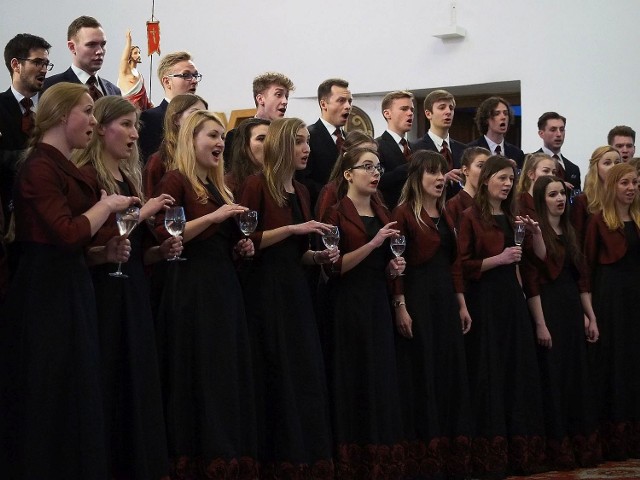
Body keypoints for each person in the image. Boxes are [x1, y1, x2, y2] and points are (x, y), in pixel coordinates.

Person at [0, 82, 137, 479]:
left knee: (74, 388)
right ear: (63, 116)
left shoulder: (59, 165)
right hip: (45, 295)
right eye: (88, 112)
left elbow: (75, 246)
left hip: (68, 285)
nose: (94, 122)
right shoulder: (40, 166)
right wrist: (106, 205)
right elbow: (66, 234)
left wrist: (101, 254)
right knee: (53, 392)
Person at [73, 95, 177, 479]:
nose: (135, 134)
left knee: (136, 383)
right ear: (101, 128)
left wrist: (160, 251)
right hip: (103, 294)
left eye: (137, 126)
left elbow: (131, 253)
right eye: (126, 125)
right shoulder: (87, 177)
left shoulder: (129, 177)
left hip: (132, 290)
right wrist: (143, 213)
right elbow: (86, 246)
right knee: (110, 381)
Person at [153, 110, 258, 477]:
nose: (219, 144)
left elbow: (222, 242)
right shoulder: (175, 179)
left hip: (223, 287)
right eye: (212, 136)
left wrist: (240, 249)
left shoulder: (218, 185)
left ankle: (228, 457)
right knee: (200, 372)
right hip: (192, 289)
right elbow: (167, 234)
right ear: (190, 140)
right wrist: (215, 218)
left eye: (222, 139)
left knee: (225, 372)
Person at [239, 118, 337, 478]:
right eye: (298, 141)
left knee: (303, 374)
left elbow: (300, 254)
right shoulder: (255, 185)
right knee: (275, 374)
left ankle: (304, 459)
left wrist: (318, 257)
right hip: (266, 294)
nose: (306, 148)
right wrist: (293, 229)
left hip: (298, 291)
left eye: (308, 141)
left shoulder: (302, 190)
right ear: (281, 145)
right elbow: (246, 242)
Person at [457, 155, 545, 478]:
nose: (508, 184)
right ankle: (491, 455)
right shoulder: (469, 217)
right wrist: (499, 259)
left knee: (516, 370)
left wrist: (535, 236)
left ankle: (520, 451)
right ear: (487, 179)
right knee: (489, 371)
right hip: (485, 300)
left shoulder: (513, 217)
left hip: (511, 299)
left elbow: (537, 260)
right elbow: (463, 265)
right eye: (502, 178)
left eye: (511, 179)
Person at [321, 146, 406, 476]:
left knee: (379, 375)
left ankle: (380, 457)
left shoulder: (382, 209)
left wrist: (393, 267)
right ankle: (352, 459)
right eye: (367, 167)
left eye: (378, 168)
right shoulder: (336, 213)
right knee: (352, 376)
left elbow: (384, 265)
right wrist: (373, 245)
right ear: (348, 174)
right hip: (347, 303)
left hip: (376, 302)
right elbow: (335, 267)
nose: (375, 174)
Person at [391, 150, 473, 478]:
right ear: (417, 178)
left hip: (445, 302)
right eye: (432, 173)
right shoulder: (402, 214)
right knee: (422, 371)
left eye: (442, 173)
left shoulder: (445, 214)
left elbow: (453, 264)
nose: (440, 179)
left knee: (448, 371)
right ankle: (424, 455)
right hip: (418, 299)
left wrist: (462, 304)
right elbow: (397, 267)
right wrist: (400, 306)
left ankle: (451, 453)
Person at [521, 175, 601, 469]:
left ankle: (578, 443)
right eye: (551, 194)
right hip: (548, 309)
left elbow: (579, 278)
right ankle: (557, 447)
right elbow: (539, 272)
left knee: (574, 375)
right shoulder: (535, 232)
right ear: (541, 200)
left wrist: (589, 314)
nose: (558, 199)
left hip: (570, 309)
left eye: (560, 195)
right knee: (553, 376)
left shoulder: (569, 230)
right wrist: (541, 324)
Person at [584, 162, 640, 460]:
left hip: (635, 300)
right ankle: (614, 439)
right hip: (610, 301)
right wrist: (589, 312)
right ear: (612, 186)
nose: (631, 188)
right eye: (624, 183)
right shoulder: (598, 221)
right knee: (614, 364)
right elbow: (587, 269)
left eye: (634, 183)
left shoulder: (639, 218)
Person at [0, 32, 52, 298]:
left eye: (47, 64)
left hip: (47, 223)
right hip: (8, 222)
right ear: (16, 64)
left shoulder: (52, 111)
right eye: (37, 62)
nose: (44, 69)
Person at [297, 78, 353, 207]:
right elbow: (303, 180)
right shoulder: (308, 136)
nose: (348, 106)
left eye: (350, 101)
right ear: (323, 104)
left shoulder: (351, 140)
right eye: (341, 101)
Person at [138, 51, 201, 162]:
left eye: (196, 75)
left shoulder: (202, 117)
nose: (194, 81)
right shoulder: (149, 119)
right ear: (167, 82)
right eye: (186, 75)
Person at [142, 93, 208, 198]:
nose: (202, 119)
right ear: (176, 119)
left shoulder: (206, 156)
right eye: (195, 113)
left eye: (205, 114)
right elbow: (150, 201)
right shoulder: (158, 160)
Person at [224, 72, 294, 165]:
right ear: (260, 99)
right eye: (278, 94)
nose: (285, 101)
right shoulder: (235, 136)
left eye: (286, 96)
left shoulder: (289, 137)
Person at [43, 16, 121, 98]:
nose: (100, 51)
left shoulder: (115, 91)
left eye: (103, 44)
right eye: (91, 45)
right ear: (72, 47)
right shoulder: (51, 88)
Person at [413, 89, 468, 197]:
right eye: (442, 107)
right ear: (428, 114)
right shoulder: (415, 148)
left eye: (451, 108)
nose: (448, 112)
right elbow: (414, 186)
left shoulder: (464, 149)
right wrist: (443, 179)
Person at [315, 130, 377, 221]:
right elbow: (324, 229)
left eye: (374, 153)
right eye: (364, 152)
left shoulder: (375, 192)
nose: (371, 156)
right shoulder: (331, 191)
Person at [571, 146, 621, 244]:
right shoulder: (583, 200)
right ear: (596, 167)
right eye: (607, 163)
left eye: (617, 163)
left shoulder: (624, 198)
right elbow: (577, 239)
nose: (613, 167)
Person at [375, 90, 415, 209]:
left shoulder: (416, 147)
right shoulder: (376, 146)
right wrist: (408, 168)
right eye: (404, 109)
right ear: (387, 113)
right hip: (391, 212)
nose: (410, 113)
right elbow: (377, 181)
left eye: (412, 110)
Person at [467, 96, 525, 168]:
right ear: (486, 119)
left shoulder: (517, 153)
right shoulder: (471, 150)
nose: (503, 117)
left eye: (506, 113)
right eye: (497, 113)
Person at [225, 117, 270, 198]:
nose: (269, 144)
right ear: (244, 145)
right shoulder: (228, 185)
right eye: (261, 139)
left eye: (271, 139)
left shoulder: (279, 183)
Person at [446, 146, 490, 227]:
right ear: (465, 170)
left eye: (488, 167)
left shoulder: (491, 203)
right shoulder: (453, 205)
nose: (486, 171)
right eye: (480, 166)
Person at [536, 112, 581, 190]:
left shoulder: (573, 168)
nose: (559, 134)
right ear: (541, 134)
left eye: (562, 129)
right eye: (553, 130)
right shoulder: (530, 160)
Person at [117, 30, 152, 111]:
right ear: (130, 55)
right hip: (128, 108)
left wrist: (148, 103)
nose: (139, 55)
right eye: (135, 53)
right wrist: (129, 41)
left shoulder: (139, 75)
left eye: (139, 52)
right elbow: (124, 59)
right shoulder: (125, 71)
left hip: (141, 109)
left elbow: (143, 95)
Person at [516, 152, 556, 220]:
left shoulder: (553, 202)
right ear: (531, 174)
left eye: (554, 172)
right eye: (546, 171)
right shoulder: (518, 202)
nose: (551, 175)